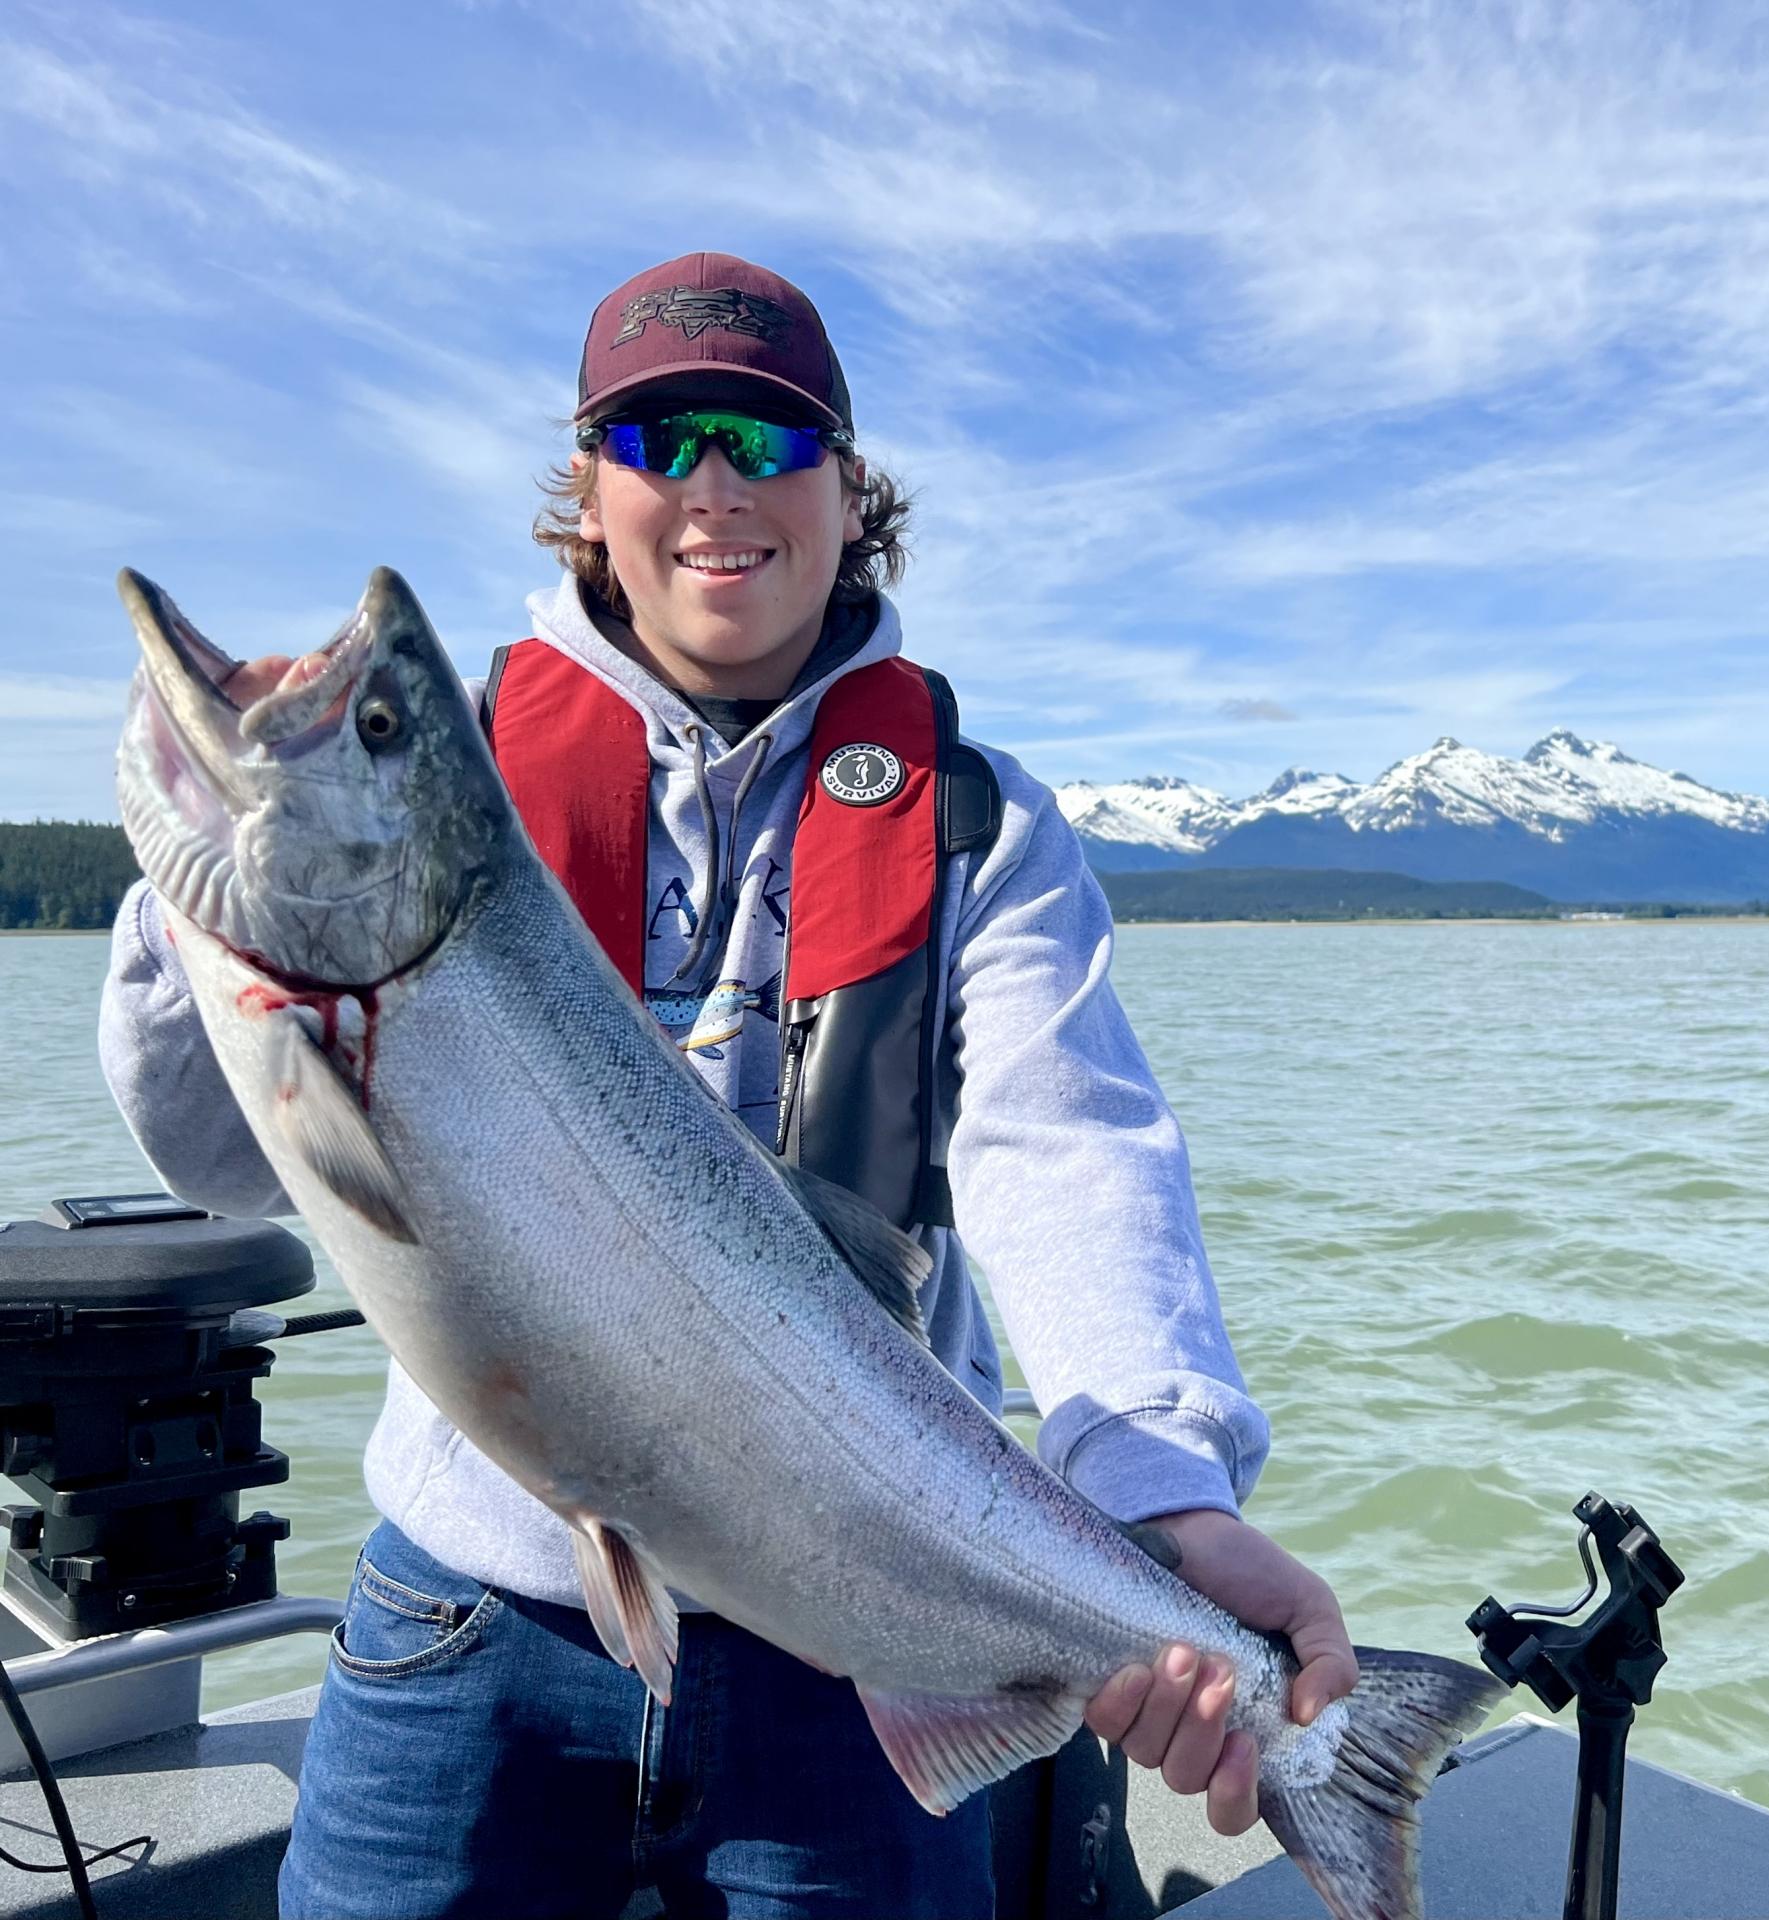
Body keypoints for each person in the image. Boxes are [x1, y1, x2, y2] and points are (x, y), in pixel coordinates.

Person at [98, 250, 1355, 1919]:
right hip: (469, 1612)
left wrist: (1164, 1492)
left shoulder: (979, 825)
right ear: (588, 490)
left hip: (864, 1636)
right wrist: (199, 889)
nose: (713, 486)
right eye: (654, 439)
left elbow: (1072, 1155)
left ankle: (1353, 1774)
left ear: (849, 488)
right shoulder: (457, 770)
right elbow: (216, 1156)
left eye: (766, 440)